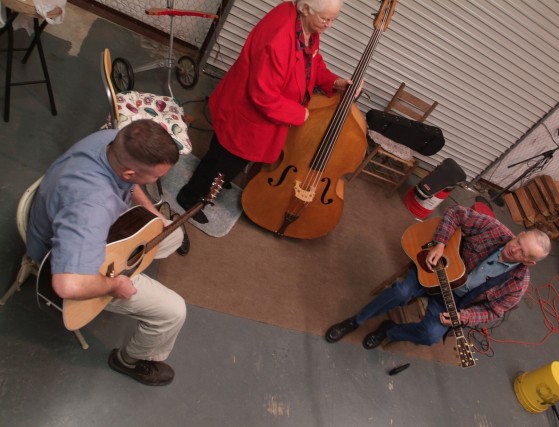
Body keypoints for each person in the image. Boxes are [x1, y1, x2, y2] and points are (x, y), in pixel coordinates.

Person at [27, 120, 187, 386]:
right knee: (173, 311)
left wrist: (154, 215)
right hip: (62, 262)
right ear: (128, 172)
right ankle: (129, 360)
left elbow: (133, 185)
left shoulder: (115, 139)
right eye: (157, 177)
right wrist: (115, 285)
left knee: (173, 234)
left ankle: (132, 264)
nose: (159, 181)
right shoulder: (91, 207)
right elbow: (67, 285)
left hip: (89, 232)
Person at [177, 0, 355, 223]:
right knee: (221, 159)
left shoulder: (306, 25)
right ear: (306, 8)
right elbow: (264, 96)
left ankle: (220, 179)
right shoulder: (279, 39)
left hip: (257, 116)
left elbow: (312, 62)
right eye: (326, 19)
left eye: (333, 19)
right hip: (246, 115)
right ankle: (190, 196)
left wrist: (334, 81)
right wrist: (300, 114)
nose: (330, 25)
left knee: (230, 162)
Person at [325, 204, 551, 349]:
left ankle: (389, 330)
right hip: (436, 271)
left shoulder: (518, 284)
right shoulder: (494, 229)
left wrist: (462, 317)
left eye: (523, 252)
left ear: (529, 262)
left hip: (452, 302)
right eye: (519, 242)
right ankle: (356, 321)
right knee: (400, 291)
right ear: (520, 234)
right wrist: (441, 244)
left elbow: (492, 311)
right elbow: (455, 213)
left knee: (431, 335)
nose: (515, 249)